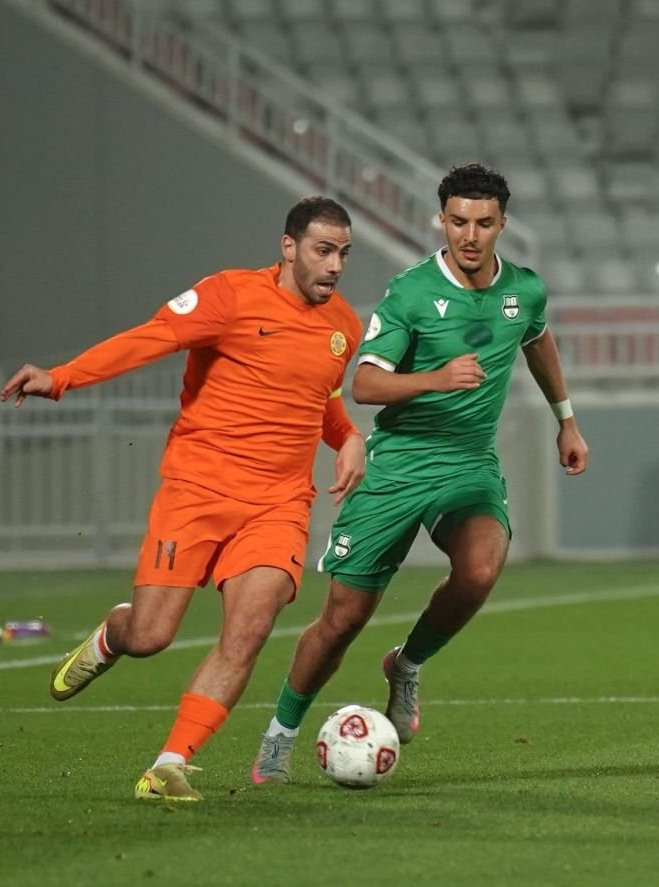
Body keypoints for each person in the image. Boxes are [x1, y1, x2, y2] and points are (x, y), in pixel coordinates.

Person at [0, 197, 365, 802]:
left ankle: (169, 764)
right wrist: (62, 377)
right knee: (151, 636)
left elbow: (318, 395)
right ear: (288, 247)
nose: (334, 266)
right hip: (198, 491)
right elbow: (152, 338)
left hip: (277, 504)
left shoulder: (344, 326)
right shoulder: (229, 296)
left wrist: (348, 436)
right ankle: (112, 636)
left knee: (249, 629)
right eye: (323, 251)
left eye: (344, 254)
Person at [250, 163, 589, 784]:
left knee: (481, 569)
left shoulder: (525, 290)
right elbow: (365, 383)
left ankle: (406, 666)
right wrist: (436, 378)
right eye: (458, 221)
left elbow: (537, 339)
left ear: (502, 225)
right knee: (343, 620)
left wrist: (565, 419)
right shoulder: (410, 292)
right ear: (441, 220)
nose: (470, 235)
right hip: (400, 463)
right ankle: (280, 734)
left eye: (483, 223)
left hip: (468, 462)